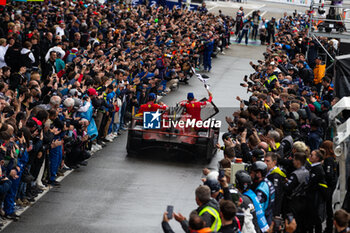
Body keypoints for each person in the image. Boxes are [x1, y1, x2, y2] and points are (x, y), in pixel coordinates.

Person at [305, 149, 328, 233]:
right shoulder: (313, 167)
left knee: (316, 219)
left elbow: (312, 184)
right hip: (312, 198)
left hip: (315, 199)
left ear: (317, 158)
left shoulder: (318, 169)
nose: (310, 156)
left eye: (312, 155)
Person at [320, 140, 339, 233]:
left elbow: (329, 175)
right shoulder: (334, 158)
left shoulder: (328, 160)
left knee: (328, 207)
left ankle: (329, 227)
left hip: (329, 187)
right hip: (333, 185)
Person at [250, 161, 275, 226]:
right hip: (270, 214)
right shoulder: (268, 182)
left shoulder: (260, 190)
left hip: (263, 220)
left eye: (252, 173)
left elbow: (259, 210)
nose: (250, 175)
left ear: (258, 174)